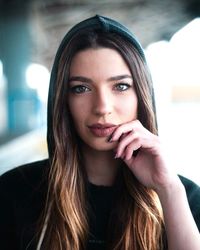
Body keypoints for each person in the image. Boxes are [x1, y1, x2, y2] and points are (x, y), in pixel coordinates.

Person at [0, 15, 200, 250]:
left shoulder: (183, 197)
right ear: (63, 100)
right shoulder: (13, 193)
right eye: (81, 88)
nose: (102, 107)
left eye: (121, 86)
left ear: (142, 97)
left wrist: (168, 189)